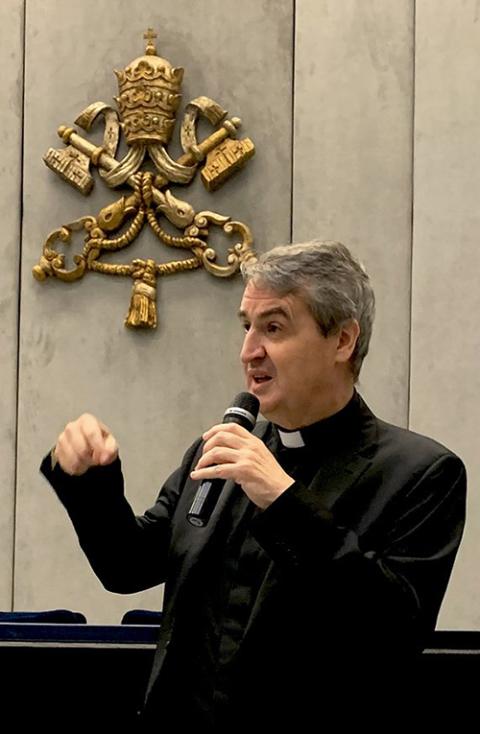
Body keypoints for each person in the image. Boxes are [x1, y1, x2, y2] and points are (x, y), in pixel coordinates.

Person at [41, 240, 466, 730]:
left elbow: (392, 631)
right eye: (247, 326)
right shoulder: (222, 446)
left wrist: (284, 501)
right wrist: (90, 481)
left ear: (342, 341)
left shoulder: (422, 473)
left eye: (274, 328)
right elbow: (127, 566)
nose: (249, 352)